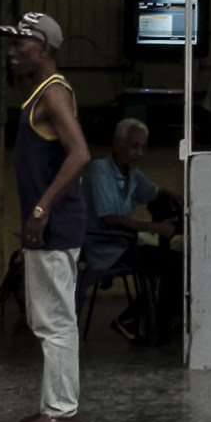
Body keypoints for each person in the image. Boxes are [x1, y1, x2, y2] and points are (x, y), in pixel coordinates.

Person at [0, 11, 89, 422]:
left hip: (54, 226)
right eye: (11, 43)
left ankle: (62, 412)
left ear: (46, 48)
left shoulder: (52, 93)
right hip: (51, 225)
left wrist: (41, 209)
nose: (13, 51)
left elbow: (80, 154)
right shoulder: (42, 92)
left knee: (54, 321)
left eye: (21, 44)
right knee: (49, 319)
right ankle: (52, 407)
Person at [80, 117, 183, 344]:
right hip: (103, 247)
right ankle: (135, 319)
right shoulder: (100, 170)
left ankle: (152, 321)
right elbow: (110, 220)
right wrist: (156, 228)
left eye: (143, 148)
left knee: (178, 262)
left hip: (124, 244)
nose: (139, 153)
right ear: (117, 145)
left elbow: (154, 193)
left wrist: (174, 197)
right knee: (175, 265)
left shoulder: (131, 174)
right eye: (134, 146)